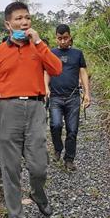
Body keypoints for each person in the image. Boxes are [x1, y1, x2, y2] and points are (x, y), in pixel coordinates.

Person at [0, 1, 62, 218]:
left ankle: (37, 193)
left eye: (27, 17)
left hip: (36, 107)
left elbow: (56, 69)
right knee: (10, 169)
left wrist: (38, 43)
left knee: (39, 166)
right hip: (8, 110)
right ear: (8, 24)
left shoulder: (39, 47)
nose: (24, 22)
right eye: (18, 18)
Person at [44, 24, 91, 171]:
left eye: (65, 38)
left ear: (70, 37)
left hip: (73, 97)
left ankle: (69, 159)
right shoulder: (50, 53)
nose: (63, 41)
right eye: (59, 38)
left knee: (72, 130)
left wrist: (87, 93)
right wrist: (45, 88)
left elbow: (83, 73)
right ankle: (58, 148)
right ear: (56, 38)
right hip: (56, 96)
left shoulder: (77, 54)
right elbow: (46, 72)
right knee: (55, 125)